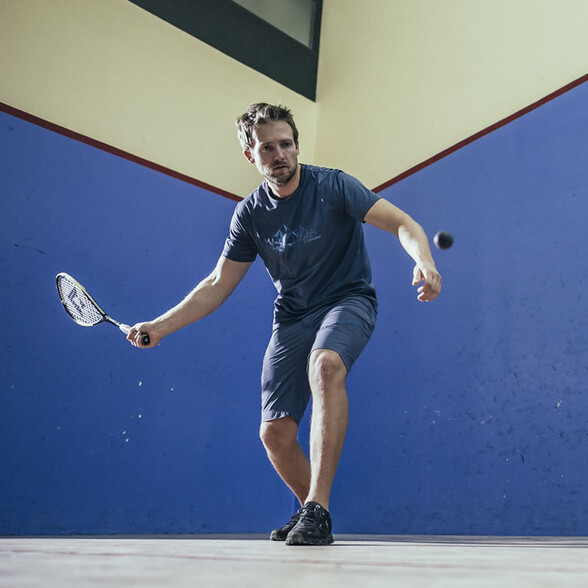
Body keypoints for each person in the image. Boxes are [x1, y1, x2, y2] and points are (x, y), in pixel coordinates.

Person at [127, 103, 442, 546]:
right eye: (267, 148)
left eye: (286, 144)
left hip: (347, 300)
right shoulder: (250, 214)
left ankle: (317, 508)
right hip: (293, 316)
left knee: (325, 365)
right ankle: (312, 511)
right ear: (250, 156)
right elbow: (219, 282)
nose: (279, 154)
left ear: (296, 145)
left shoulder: (333, 186)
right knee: (274, 434)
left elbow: (402, 223)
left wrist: (423, 261)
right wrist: (160, 326)